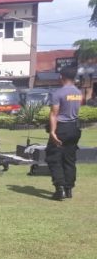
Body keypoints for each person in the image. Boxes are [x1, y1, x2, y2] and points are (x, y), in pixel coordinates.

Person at [46, 66, 83, 200]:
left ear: (61, 77)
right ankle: (69, 188)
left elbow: (54, 114)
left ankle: (59, 188)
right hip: (74, 128)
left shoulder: (58, 93)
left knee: (53, 158)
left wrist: (52, 132)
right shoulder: (78, 92)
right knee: (69, 159)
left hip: (61, 128)